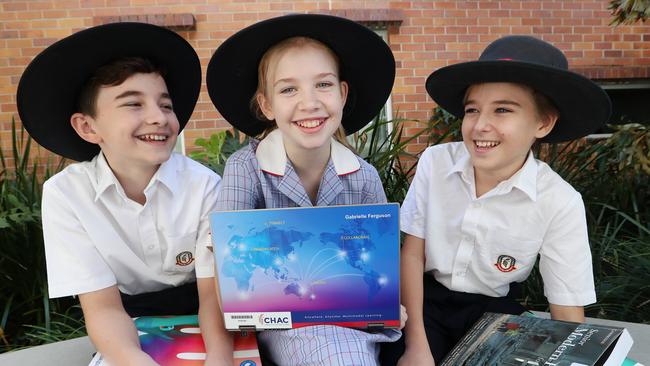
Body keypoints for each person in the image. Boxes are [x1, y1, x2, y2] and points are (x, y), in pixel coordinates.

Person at [380, 35, 612, 365]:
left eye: (503, 110)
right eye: (472, 110)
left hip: (494, 313)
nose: (480, 125)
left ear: (543, 123)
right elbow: (413, 254)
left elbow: (566, 306)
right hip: (422, 303)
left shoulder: (559, 200)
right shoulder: (436, 162)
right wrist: (416, 345)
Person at [16, 23, 231, 365]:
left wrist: (220, 359)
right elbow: (102, 309)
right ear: (88, 127)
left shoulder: (204, 186)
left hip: (206, 317)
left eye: (165, 105)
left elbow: (213, 297)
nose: (157, 117)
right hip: (126, 327)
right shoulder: (66, 194)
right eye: (133, 104)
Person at [205, 14, 403, 366]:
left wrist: (386, 302)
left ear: (342, 94)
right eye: (288, 89)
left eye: (323, 85)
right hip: (281, 323)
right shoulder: (245, 169)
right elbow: (228, 268)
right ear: (266, 105)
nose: (309, 102)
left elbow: (380, 266)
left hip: (353, 323)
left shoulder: (364, 177)